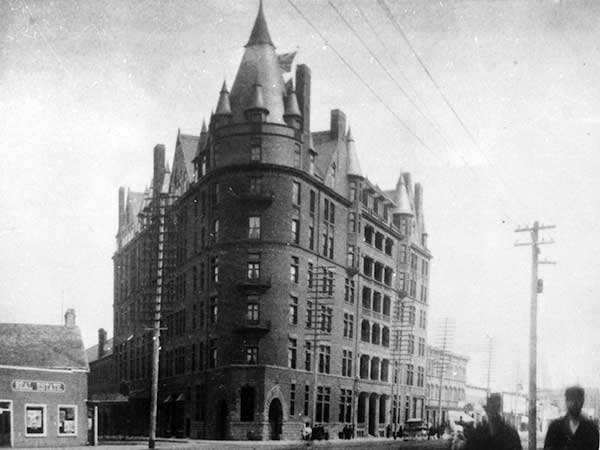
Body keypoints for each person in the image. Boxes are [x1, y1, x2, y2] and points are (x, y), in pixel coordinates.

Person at [544, 386, 599, 450]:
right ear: (566, 402)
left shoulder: (591, 429)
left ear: (582, 402)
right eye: (571, 399)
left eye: (578, 400)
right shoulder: (555, 427)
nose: (574, 403)